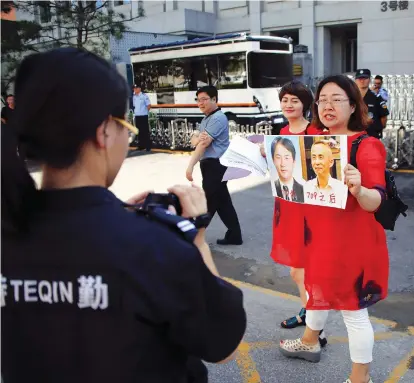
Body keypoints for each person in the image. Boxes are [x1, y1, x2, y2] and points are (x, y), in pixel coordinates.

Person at [1, 47, 247, 383]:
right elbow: (223, 344)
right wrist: (197, 239)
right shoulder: (154, 246)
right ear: (103, 132)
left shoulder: (9, 231)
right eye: (124, 125)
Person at [278, 75, 389, 383]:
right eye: (322, 99)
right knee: (315, 291)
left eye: (336, 99)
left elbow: (376, 200)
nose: (327, 106)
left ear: (353, 105)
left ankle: (359, 378)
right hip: (319, 237)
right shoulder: (316, 140)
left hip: (352, 245)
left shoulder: (367, 146)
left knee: (353, 312)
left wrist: (358, 189)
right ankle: (311, 341)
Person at [266, 81, 327, 348]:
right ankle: (309, 315)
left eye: (294, 100)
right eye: (284, 100)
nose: (289, 105)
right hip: (288, 206)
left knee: (303, 272)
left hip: (311, 210)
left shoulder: (316, 132)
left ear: (305, 104)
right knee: (297, 272)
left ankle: (316, 329)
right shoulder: (282, 132)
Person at [186, 85, 243, 245]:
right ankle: (234, 235)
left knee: (208, 202)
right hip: (211, 165)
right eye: (198, 100)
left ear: (214, 99)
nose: (200, 103)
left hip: (215, 165)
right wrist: (196, 137)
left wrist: (190, 166)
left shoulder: (217, 118)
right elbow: (194, 141)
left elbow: (202, 144)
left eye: (204, 99)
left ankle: (193, 236)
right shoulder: (206, 119)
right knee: (223, 202)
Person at [304, 140, 346, 208]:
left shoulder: (341, 189)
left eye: (321, 157)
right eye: (314, 157)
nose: (317, 162)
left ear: (331, 162)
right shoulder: (306, 187)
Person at [354, 69, 388, 139]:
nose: (362, 81)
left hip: (371, 136)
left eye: (365, 78)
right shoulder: (350, 98)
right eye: (359, 78)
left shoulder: (376, 98)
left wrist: (376, 128)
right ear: (355, 80)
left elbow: (383, 117)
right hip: (354, 136)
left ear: (369, 80)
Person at [271, 136, 305, 202]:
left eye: (286, 158)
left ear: (294, 161)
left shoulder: (304, 190)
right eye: (278, 157)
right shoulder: (271, 188)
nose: (283, 164)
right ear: (273, 161)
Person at [132, 84, 151, 151]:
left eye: (136, 88)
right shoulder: (134, 96)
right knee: (139, 132)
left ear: (139, 89)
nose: (134, 89)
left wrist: (145, 112)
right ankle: (141, 146)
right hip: (137, 116)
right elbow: (134, 106)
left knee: (145, 131)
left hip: (143, 116)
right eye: (134, 88)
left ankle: (148, 146)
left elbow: (148, 105)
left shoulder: (144, 96)